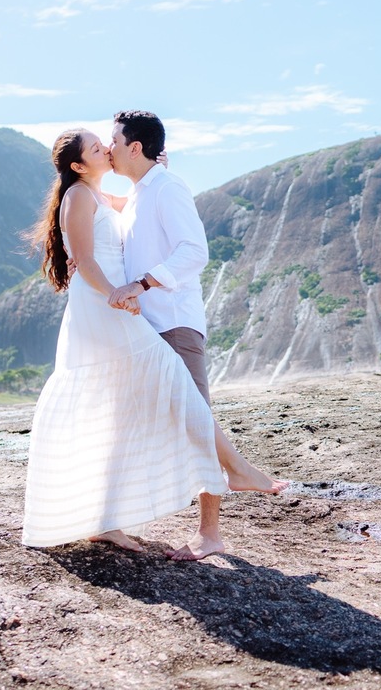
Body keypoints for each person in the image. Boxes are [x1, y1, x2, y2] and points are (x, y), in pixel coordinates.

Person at [20, 128, 281, 559]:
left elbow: (140, 206)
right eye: (96, 147)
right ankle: (236, 469)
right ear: (79, 165)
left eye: (108, 143)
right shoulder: (78, 197)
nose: (106, 149)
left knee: (121, 412)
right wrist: (117, 295)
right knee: (172, 381)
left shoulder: (102, 196)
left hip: (115, 303)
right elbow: (83, 260)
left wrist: (158, 172)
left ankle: (106, 521)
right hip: (105, 305)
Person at [105, 110, 287, 560]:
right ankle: (109, 519)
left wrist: (141, 284)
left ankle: (212, 531)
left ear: (135, 147)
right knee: (137, 421)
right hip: (145, 328)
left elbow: (195, 252)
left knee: (196, 420)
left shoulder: (168, 187)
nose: (108, 149)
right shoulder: (141, 192)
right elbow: (113, 209)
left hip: (173, 323)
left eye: (113, 141)